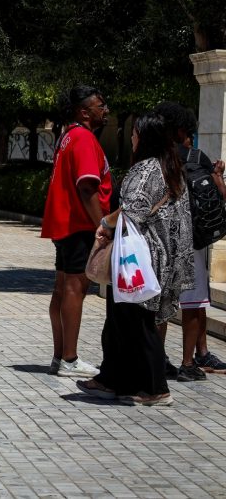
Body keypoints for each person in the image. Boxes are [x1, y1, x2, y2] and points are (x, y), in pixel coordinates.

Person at [77, 112, 193, 406]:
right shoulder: (171, 168)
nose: (132, 137)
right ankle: (112, 379)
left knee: (138, 322)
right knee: (122, 320)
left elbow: (131, 211)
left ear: (144, 137)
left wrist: (104, 224)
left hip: (138, 258)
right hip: (158, 257)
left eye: (135, 133)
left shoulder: (144, 170)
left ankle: (155, 387)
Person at [40, 85, 112, 378]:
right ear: (85, 112)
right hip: (79, 224)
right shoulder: (82, 138)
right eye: (100, 105)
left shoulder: (67, 136)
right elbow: (86, 186)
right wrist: (103, 226)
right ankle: (69, 358)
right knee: (74, 288)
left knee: (62, 288)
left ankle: (60, 356)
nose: (105, 110)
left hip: (66, 223)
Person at [154, 101, 226, 381]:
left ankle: (159, 359)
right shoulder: (198, 157)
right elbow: (219, 198)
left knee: (162, 305)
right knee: (194, 304)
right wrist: (218, 177)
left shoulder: (156, 160)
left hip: (162, 243)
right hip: (194, 242)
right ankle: (188, 362)